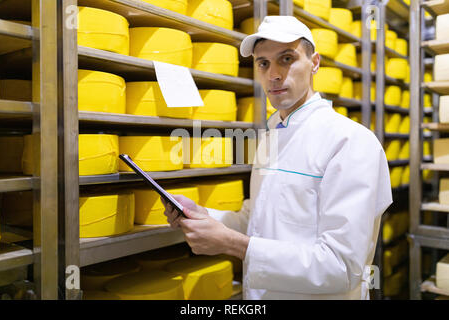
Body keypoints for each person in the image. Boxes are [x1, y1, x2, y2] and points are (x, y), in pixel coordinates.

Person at [161, 16, 392, 300]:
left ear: (315, 63)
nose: (274, 74)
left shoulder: (350, 142)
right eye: (263, 63)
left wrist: (235, 245)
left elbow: (342, 267)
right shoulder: (272, 136)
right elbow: (257, 218)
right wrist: (203, 216)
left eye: (286, 58)